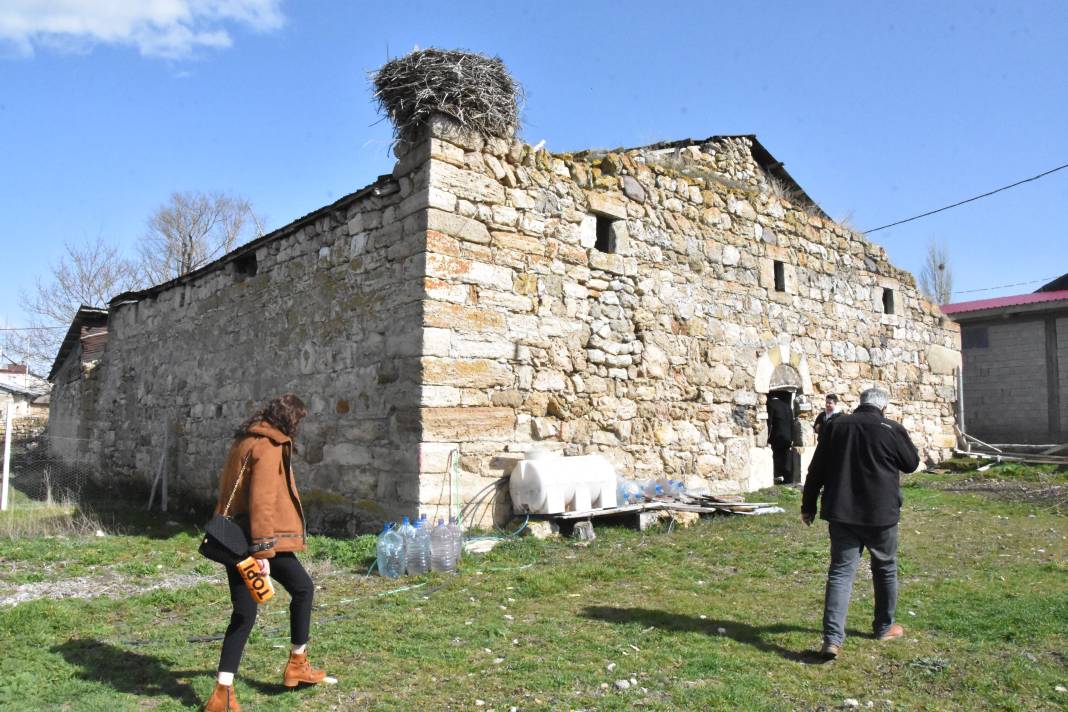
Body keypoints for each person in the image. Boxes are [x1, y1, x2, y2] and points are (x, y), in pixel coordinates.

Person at [204, 394, 333, 712]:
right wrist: (263, 552)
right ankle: (297, 664)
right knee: (303, 589)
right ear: (291, 420)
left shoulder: (245, 439)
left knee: (244, 614)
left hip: (233, 540)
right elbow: (261, 500)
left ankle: (222, 693)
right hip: (259, 540)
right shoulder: (270, 445)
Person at [801, 387, 920, 660]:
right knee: (885, 568)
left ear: (859, 403)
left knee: (841, 573)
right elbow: (911, 463)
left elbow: (816, 470)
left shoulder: (835, 427)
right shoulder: (891, 428)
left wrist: (808, 506)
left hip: (842, 512)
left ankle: (832, 640)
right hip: (882, 514)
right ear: (884, 408)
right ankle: (884, 626)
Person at [767, 391, 794, 484]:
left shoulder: (771, 404)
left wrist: (767, 436)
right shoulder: (787, 406)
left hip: (777, 435)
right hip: (788, 436)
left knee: (777, 456)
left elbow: (769, 421)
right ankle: (787, 478)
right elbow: (792, 421)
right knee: (786, 457)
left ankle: (777, 475)